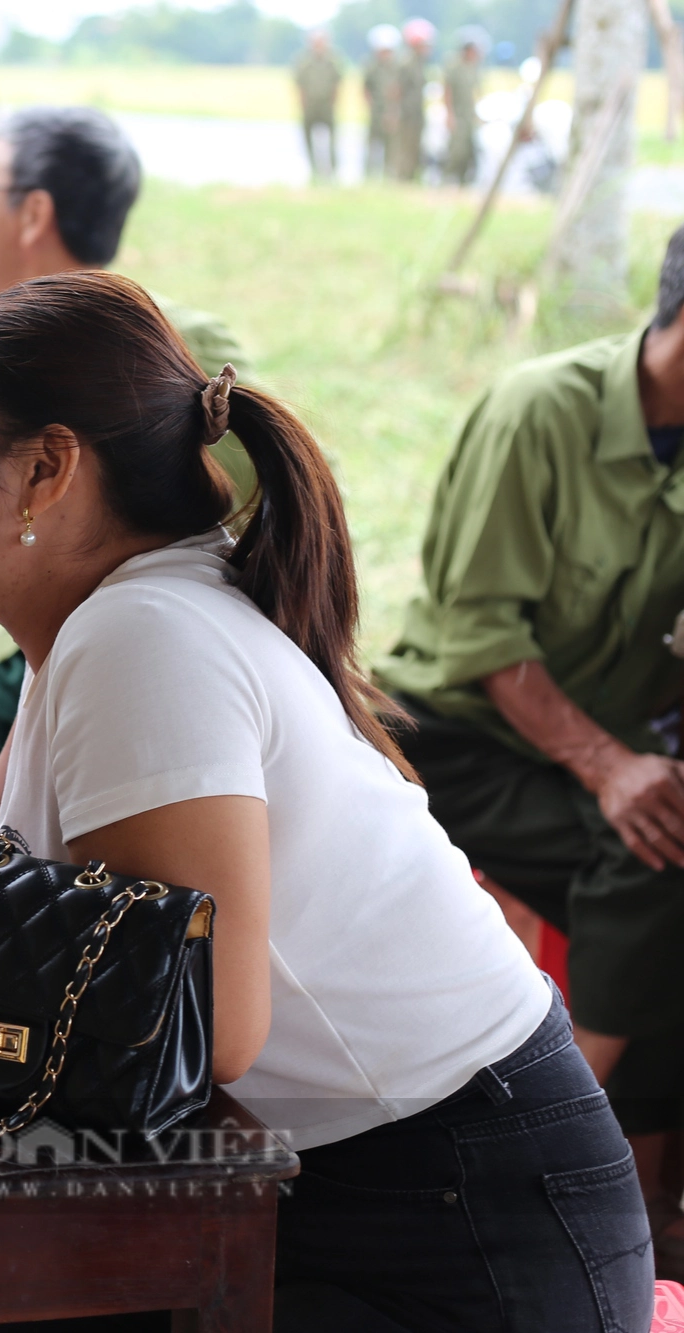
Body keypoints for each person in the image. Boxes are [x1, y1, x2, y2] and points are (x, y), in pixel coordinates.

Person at [0, 269, 652, 1332]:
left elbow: (201, 1014)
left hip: (454, 1224)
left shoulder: (146, 637)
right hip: (364, 1178)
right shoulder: (103, 611)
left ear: (42, 471)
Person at [377, 222, 684, 1252]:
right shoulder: (538, 412)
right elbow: (481, 637)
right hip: (449, 730)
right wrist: (608, 768)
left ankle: (631, 1214)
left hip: (602, 737)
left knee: (659, 879)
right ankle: (541, 1142)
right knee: (651, 860)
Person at [0, 105, 253, 821]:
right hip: (8, 631)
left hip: (43, 627)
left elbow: (230, 506)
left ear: (32, 211)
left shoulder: (164, 343)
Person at [293, 28, 342, 183]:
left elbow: (337, 83)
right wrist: (303, 104)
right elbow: (299, 85)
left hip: (327, 105)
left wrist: (335, 103)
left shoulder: (333, 60)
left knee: (332, 139)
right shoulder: (304, 61)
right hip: (310, 105)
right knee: (308, 138)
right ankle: (314, 169)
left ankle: (332, 171)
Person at [445, 26, 489, 186]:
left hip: (470, 116)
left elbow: (477, 94)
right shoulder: (454, 67)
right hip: (458, 114)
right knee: (457, 150)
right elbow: (447, 91)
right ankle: (449, 180)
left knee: (471, 150)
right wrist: (449, 115)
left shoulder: (474, 68)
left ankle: (465, 182)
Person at [394, 17, 436, 183]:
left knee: (416, 147)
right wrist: (395, 111)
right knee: (406, 147)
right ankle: (402, 179)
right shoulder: (406, 63)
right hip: (406, 113)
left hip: (417, 112)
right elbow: (396, 89)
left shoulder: (420, 63)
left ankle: (412, 178)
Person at [363, 25, 402, 182]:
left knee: (392, 146)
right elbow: (366, 88)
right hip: (376, 110)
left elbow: (400, 90)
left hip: (392, 110)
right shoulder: (371, 66)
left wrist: (394, 111)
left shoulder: (397, 67)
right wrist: (371, 107)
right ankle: (370, 175)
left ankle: (389, 175)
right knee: (373, 144)